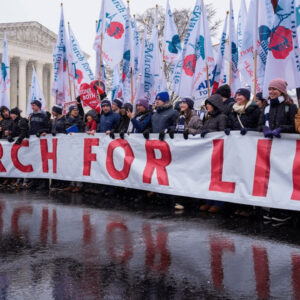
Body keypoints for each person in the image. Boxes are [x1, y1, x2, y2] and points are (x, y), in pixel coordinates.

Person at [200, 94, 228, 213]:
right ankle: (208, 201)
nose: (207, 106)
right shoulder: (208, 117)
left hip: (218, 150)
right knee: (208, 177)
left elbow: (221, 133)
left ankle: (218, 203)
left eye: (209, 104)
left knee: (217, 177)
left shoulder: (221, 117)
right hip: (208, 151)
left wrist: (209, 132)